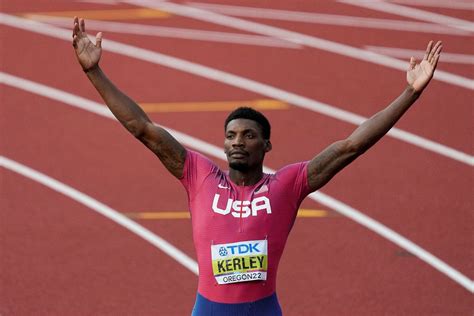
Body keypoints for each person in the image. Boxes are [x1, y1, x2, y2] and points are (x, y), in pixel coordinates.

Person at [72, 16, 442, 315]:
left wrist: (410, 92)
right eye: (231, 135)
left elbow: (351, 145)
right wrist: (94, 72)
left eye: (248, 135)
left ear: (266, 145)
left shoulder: (288, 184)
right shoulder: (199, 176)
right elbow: (143, 128)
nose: (237, 141)